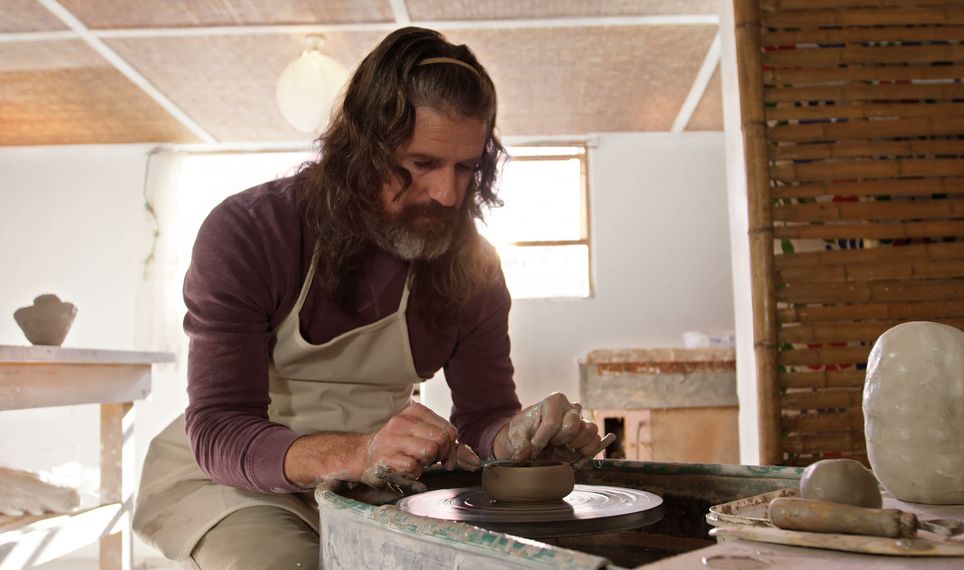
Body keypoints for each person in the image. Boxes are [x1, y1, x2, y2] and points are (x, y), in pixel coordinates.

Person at [133, 26, 609, 569]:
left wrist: (520, 437)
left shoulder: (473, 265)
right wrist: (358, 452)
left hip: (379, 482)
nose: (447, 194)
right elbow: (220, 428)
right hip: (236, 481)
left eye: (465, 167)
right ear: (360, 147)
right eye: (420, 164)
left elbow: (483, 413)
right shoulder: (251, 231)